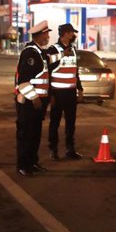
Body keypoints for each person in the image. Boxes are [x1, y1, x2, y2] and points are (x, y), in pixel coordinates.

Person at [14, 20, 52, 176]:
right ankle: (23, 166)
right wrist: (34, 97)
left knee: (35, 135)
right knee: (27, 135)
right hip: (29, 103)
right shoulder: (30, 53)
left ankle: (32, 162)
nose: (48, 36)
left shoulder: (39, 52)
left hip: (37, 102)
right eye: (47, 34)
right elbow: (23, 81)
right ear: (40, 35)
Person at [46, 23, 84, 160]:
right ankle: (53, 150)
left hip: (70, 93)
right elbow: (48, 69)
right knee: (55, 122)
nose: (74, 35)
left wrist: (80, 89)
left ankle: (70, 149)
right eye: (72, 33)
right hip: (57, 93)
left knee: (70, 123)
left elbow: (75, 71)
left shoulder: (73, 50)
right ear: (66, 34)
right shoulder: (53, 49)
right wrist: (50, 94)